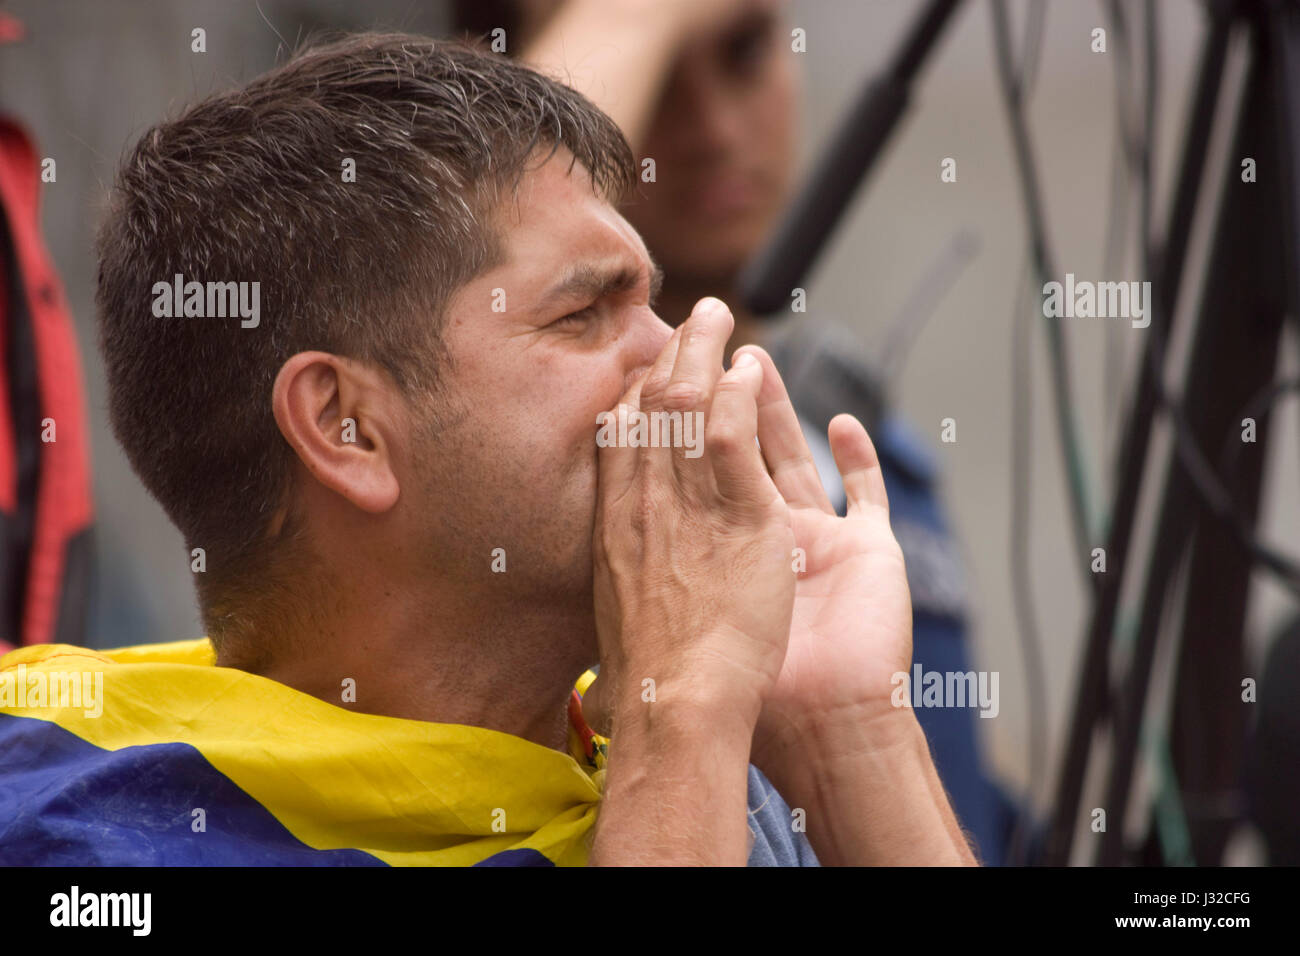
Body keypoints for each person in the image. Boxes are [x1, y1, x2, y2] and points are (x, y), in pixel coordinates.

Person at [0, 33, 975, 866]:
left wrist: (844, 732)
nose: (678, 359)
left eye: (652, 303)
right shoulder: (91, 830)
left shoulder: (694, 733)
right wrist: (676, 722)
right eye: (584, 313)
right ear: (348, 425)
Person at [454, 0, 1009, 862]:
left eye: (747, 53)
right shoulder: (517, 522)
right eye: (660, 76)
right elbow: (456, 208)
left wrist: (859, 751)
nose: (712, 131)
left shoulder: (868, 459)